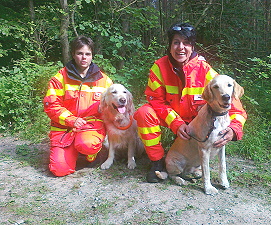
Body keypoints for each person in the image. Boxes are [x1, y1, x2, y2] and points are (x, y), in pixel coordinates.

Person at [134, 22, 247, 183]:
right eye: (176, 42)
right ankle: (157, 162)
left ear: (192, 47)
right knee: (144, 113)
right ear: (170, 45)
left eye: (186, 43)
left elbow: (235, 107)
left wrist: (234, 129)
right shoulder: (159, 67)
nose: (181, 47)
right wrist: (176, 124)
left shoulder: (205, 69)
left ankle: (193, 163)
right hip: (173, 119)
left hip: (196, 123)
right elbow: (156, 101)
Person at [43, 36, 113, 177]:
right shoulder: (59, 78)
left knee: (87, 144)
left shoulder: (104, 80)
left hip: (90, 127)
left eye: (88, 54)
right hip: (64, 129)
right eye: (80, 53)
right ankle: (74, 151)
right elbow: (51, 105)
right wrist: (71, 119)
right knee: (59, 170)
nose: (84, 58)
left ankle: (93, 154)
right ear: (73, 55)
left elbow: (111, 106)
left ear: (92, 55)